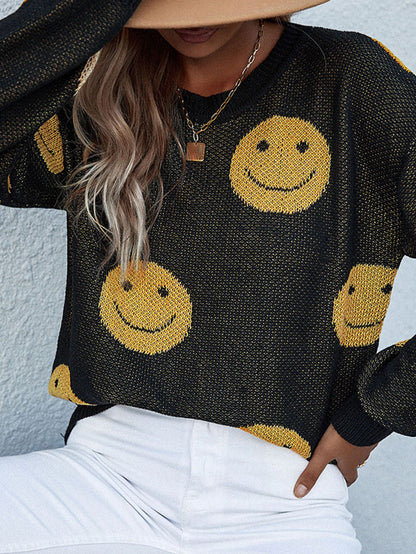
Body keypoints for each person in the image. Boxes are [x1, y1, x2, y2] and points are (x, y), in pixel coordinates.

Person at [1, 0, 416, 551]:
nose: (193, 15)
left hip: (282, 498)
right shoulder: (101, 91)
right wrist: (88, 12)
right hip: (107, 472)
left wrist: (377, 409)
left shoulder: (351, 80)